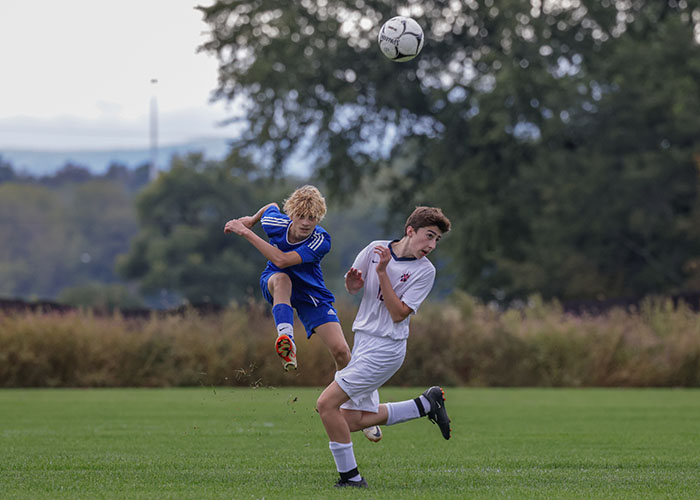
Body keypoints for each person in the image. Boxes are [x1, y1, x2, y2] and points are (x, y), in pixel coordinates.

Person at [316, 206, 452, 488]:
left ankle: (351, 478)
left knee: (326, 405)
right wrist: (352, 283)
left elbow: (398, 313)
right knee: (350, 420)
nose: (431, 245)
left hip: (386, 349)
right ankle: (425, 404)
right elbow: (355, 288)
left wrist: (381, 273)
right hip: (364, 340)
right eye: (429, 235)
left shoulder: (425, 272)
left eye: (437, 239)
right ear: (410, 230)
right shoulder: (375, 248)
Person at [224, 185, 351, 372]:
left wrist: (245, 231)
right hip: (276, 282)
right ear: (290, 214)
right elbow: (270, 206)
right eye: (300, 216)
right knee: (283, 279)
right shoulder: (275, 223)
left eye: (312, 218)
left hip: (310, 292)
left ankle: (349, 396)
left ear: (319, 218)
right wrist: (252, 220)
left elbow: (282, 260)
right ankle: (286, 340)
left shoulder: (321, 240)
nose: (306, 223)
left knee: (342, 351)